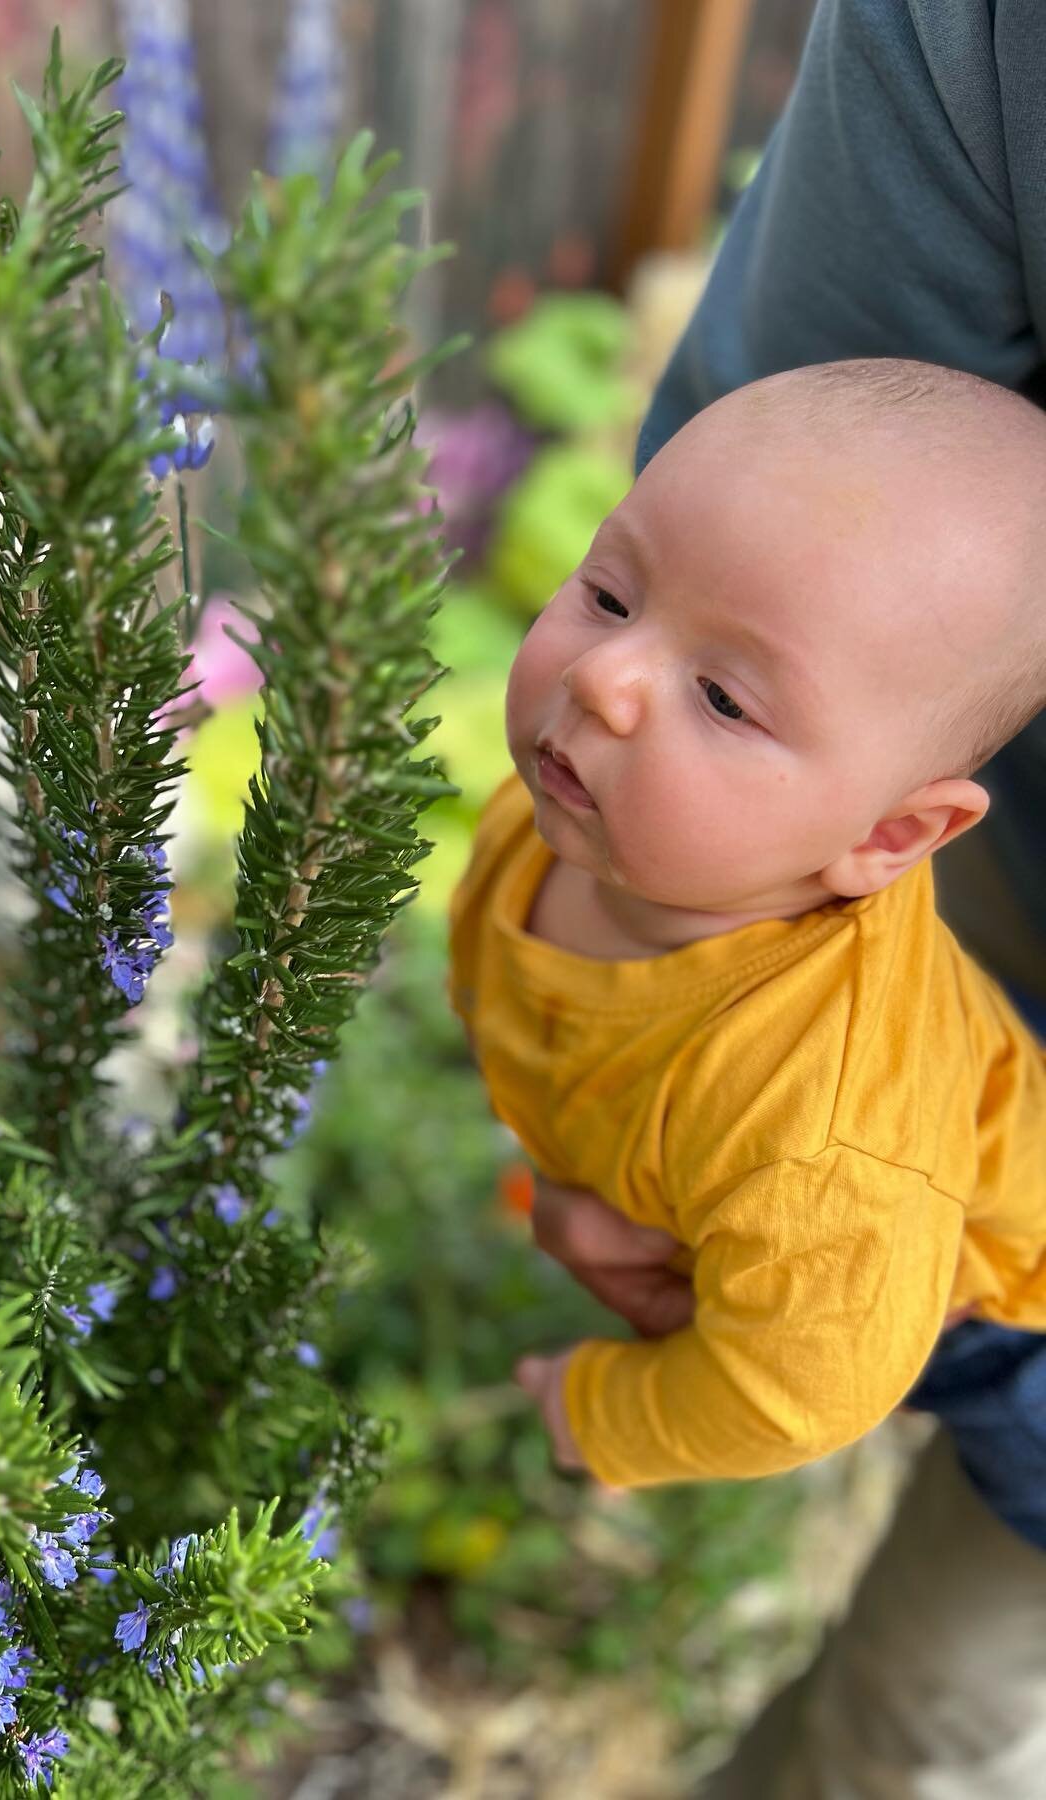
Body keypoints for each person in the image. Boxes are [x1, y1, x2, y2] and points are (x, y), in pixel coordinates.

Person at [447, 359, 1046, 1796]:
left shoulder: (823, 1139)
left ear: (890, 836)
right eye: (608, 590)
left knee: (919, 1688)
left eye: (722, 695)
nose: (605, 676)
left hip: (1016, 1338)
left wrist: (610, 1409)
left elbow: (806, 1390)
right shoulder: (578, 821)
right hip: (897, 1236)